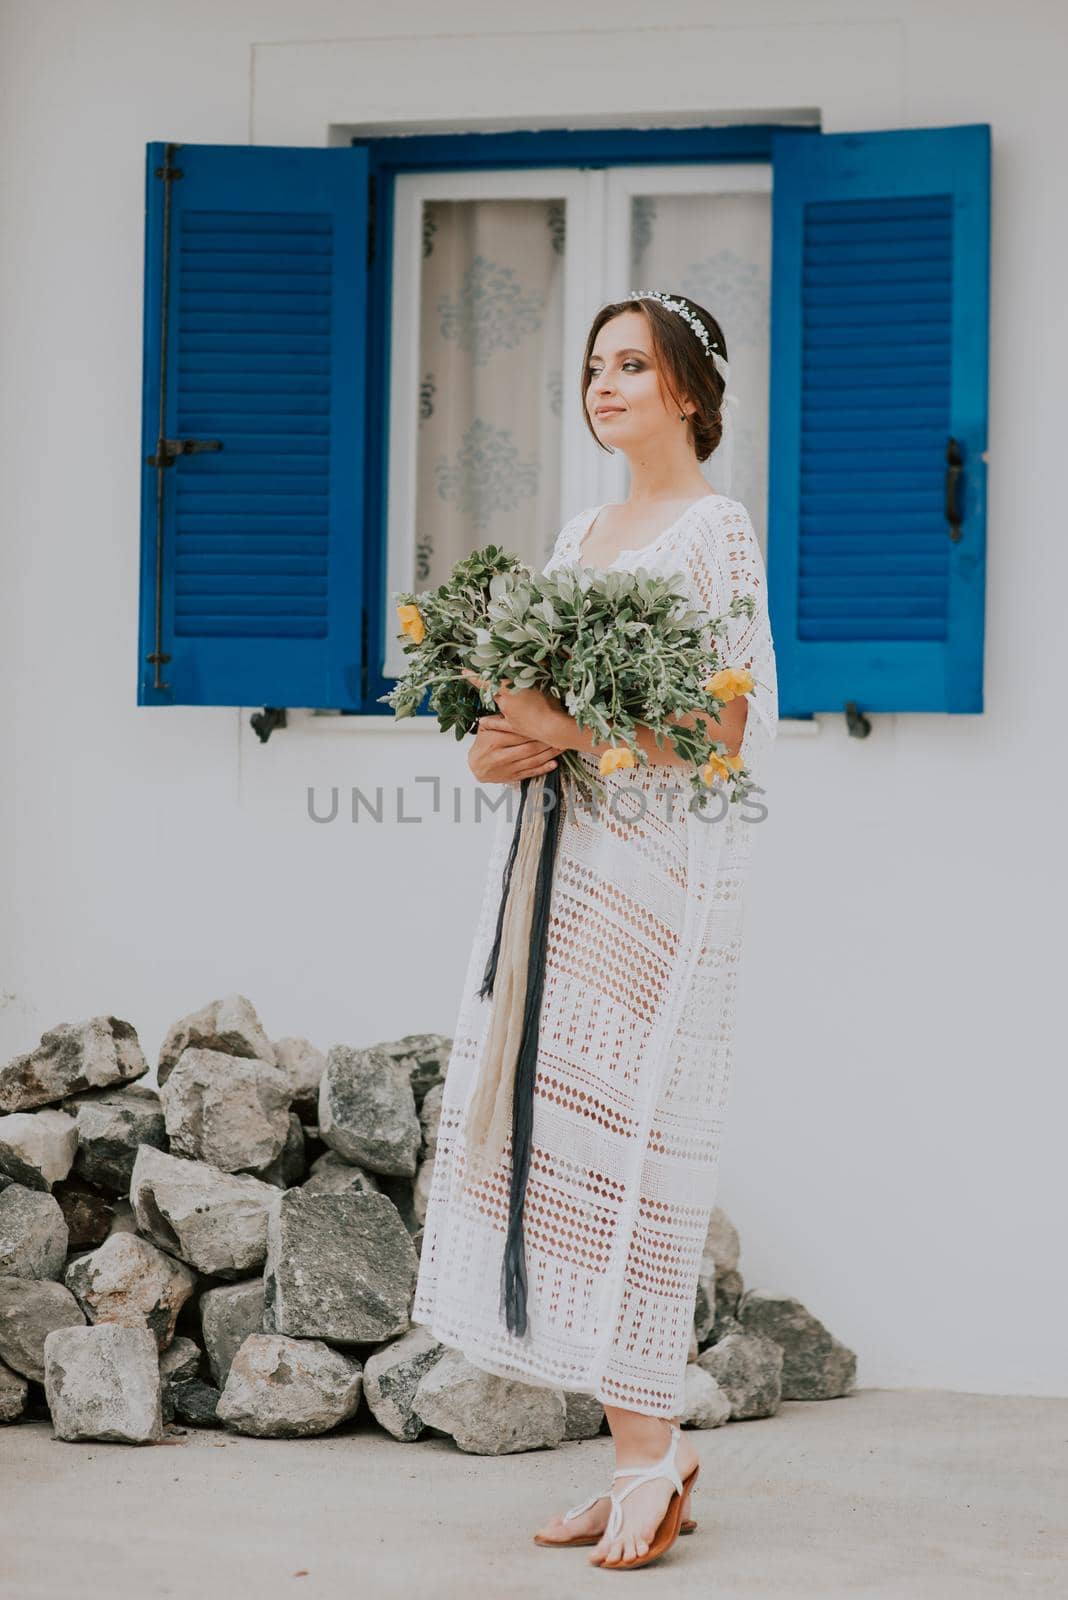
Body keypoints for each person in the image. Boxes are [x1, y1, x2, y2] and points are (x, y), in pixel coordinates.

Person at [411, 291, 778, 1570]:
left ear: (688, 389)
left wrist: (567, 735)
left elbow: (719, 737)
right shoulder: (580, 531)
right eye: (592, 365)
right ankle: (642, 1452)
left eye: (633, 363)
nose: (605, 382)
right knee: (559, 1156)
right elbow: (535, 720)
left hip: (652, 883)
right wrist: (505, 747)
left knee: (626, 1154)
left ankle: (650, 1450)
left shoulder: (715, 535)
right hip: (555, 872)